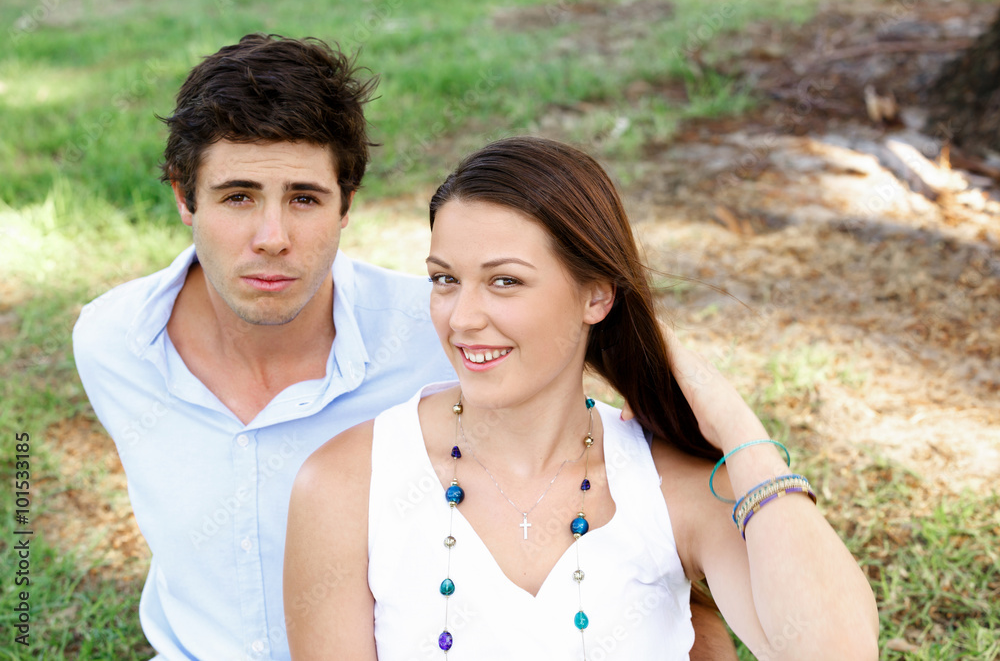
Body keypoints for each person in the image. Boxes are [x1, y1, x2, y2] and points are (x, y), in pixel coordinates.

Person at [72, 36, 733, 659]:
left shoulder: (444, 331)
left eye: (304, 198)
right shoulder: (114, 345)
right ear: (184, 198)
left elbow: (625, 491)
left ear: (347, 204)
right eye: (237, 196)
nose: (271, 236)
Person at [284, 137, 879, 660]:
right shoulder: (347, 483)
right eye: (445, 279)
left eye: (505, 281)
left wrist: (735, 426)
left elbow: (837, 651)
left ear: (596, 296)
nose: (462, 318)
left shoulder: (669, 486)